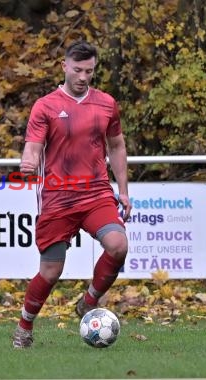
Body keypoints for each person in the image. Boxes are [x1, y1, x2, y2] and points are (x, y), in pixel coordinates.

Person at [12, 41, 132, 348]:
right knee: (51, 271)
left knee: (118, 245)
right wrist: (28, 160)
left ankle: (89, 301)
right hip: (57, 197)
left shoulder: (106, 103)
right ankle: (24, 326)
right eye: (77, 70)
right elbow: (34, 146)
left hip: (96, 194)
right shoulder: (46, 106)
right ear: (64, 66)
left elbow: (116, 145)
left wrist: (123, 191)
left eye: (89, 71)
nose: (83, 77)